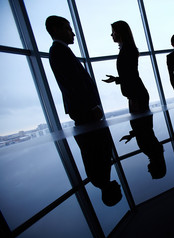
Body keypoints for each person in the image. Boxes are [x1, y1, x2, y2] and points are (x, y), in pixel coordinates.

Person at [45, 15, 121, 206]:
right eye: (68, 29)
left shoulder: (59, 52)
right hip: (85, 111)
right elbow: (74, 84)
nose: (73, 33)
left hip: (85, 111)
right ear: (56, 30)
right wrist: (91, 107)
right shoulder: (58, 52)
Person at [103, 20, 149, 114]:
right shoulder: (127, 48)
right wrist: (116, 79)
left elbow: (131, 76)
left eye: (113, 32)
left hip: (135, 94)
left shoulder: (127, 50)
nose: (111, 35)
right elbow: (129, 74)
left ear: (120, 32)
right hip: (135, 94)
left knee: (141, 126)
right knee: (142, 126)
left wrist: (117, 79)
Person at [120, 114, 166, 179]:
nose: (149, 170)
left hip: (141, 119)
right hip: (140, 118)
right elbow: (144, 131)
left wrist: (131, 135)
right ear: (157, 168)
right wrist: (131, 135)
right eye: (151, 172)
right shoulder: (152, 152)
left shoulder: (155, 152)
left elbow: (144, 133)